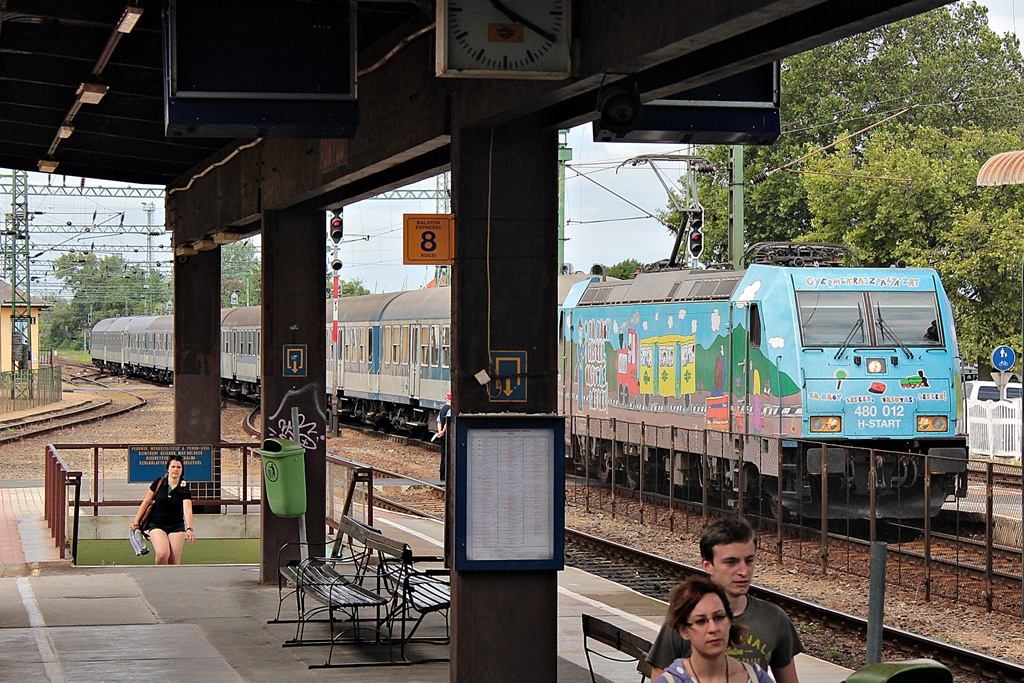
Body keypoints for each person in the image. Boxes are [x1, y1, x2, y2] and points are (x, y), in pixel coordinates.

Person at [647, 518, 803, 682]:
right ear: (707, 565)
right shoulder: (686, 617)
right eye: (731, 562)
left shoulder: (773, 619)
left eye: (749, 560)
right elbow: (660, 675)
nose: (743, 571)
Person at [653, 577, 772, 683]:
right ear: (684, 630)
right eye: (700, 621)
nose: (713, 628)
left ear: (729, 620)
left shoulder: (756, 677)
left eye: (719, 617)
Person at [131, 455, 195, 565]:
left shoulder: (184, 488)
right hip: (157, 524)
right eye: (173, 466)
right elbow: (146, 502)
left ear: (182, 470)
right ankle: (159, 577)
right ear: (168, 469)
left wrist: (189, 528)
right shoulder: (159, 483)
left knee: (174, 560)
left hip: (176, 525)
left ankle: (172, 581)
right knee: (163, 553)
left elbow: (187, 509)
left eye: (179, 467)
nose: (175, 469)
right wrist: (136, 522)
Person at [436, 391, 452, 481]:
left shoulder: (442, 409)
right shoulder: (450, 409)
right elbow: (447, 422)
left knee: (443, 455)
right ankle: (446, 475)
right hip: (447, 435)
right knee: (448, 455)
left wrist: (439, 432)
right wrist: (443, 431)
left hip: (442, 436)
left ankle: (442, 475)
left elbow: (439, 421)